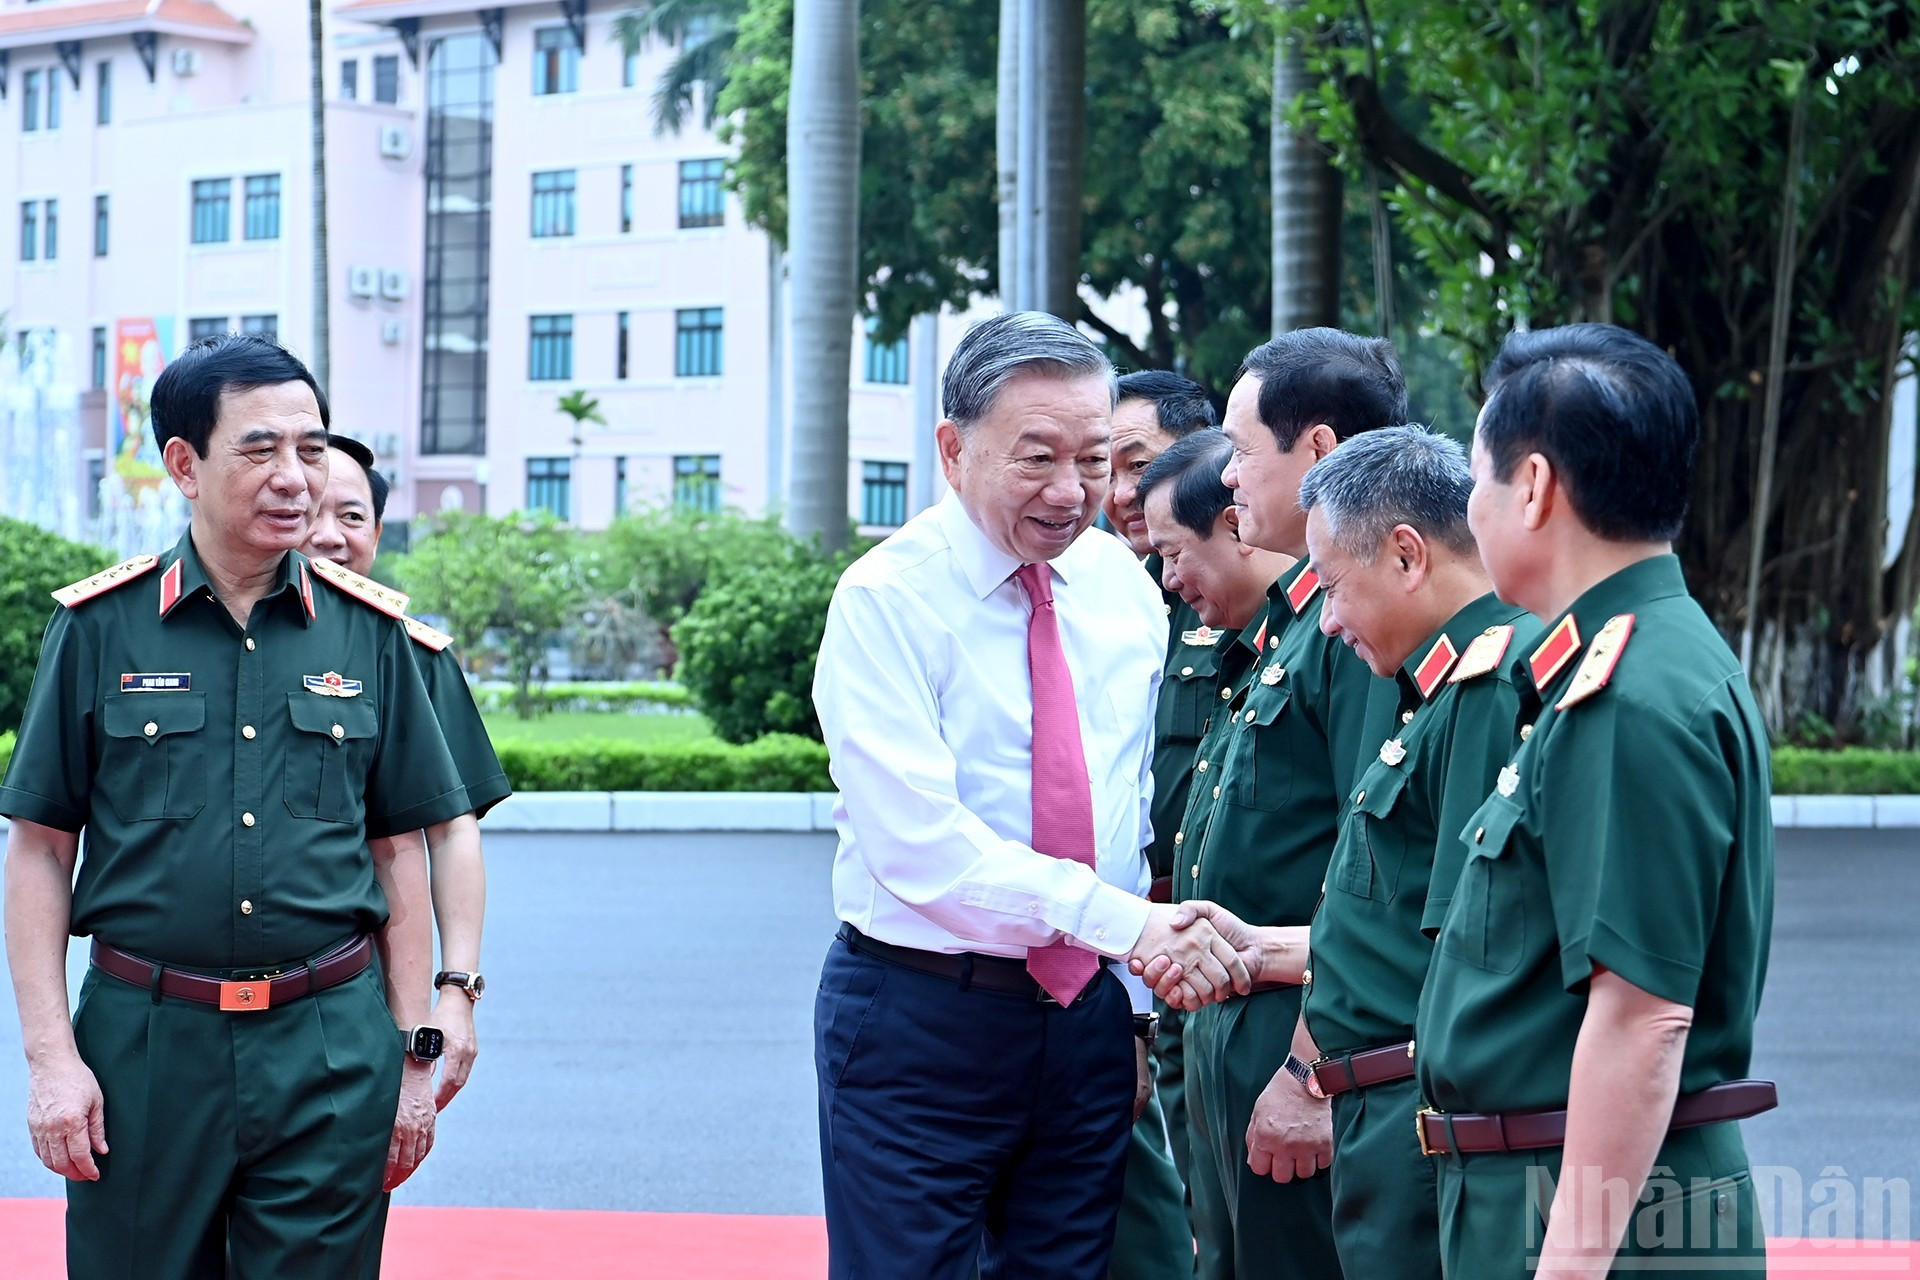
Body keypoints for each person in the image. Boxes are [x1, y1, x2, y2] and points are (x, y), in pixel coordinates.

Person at [0, 333, 471, 1279]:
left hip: (328, 1044)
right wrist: (52, 1061)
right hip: (144, 1045)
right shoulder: (99, 628)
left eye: (310, 447)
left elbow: (401, 852)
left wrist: (412, 1054)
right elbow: (40, 849)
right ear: (185, 463)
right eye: (261, 449)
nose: (295, 476)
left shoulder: (371, 633)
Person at [810, 311, 1253, 1280]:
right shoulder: (887, 601)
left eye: (1095, 459)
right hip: (921, 1015)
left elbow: (1122, 816)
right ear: (952, 448)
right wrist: (1124, 928)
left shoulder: (1121, 589)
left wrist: (1131, 1012)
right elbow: (918, 843)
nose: (1071, 492)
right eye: (1037, 457)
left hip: (1084, 1020)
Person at [1415, 324, 1776, 1277]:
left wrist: (1568, 1267)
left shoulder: (1629, 693)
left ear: (1532, 487)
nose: (1471, 509)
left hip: (1595, 1223)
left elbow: (1642, 1018)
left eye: (1476, 480)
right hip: (1549, 1194)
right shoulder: (1627, 659)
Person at [1174, 329, 1406, 1280]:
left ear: (1316, 451)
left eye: (1240, 450)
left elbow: (1375, 871)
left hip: (1296, 1035)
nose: (1226, 478)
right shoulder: (1299, 623)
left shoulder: (1359, 628)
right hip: (1238, 1031)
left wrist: (1311, 1072)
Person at [1293, 426, 1537, 1278]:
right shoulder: (1434, 692)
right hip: (1387, 1115)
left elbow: (1467, 948)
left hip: (1419, 1120)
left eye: (1330, 588)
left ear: (1405, 555)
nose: (1325, 622)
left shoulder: (1489, 687)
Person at [304, 434, 505, 1280]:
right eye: (310, 511)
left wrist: (452, 994)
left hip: (349, 998)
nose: (326, 533)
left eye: (351, 516)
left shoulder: (409, 654)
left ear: (378, 534)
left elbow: (450, 830)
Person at [1100, 370, 1219, 1258]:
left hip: (1227, 952)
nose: (1115, 494)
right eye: (1098, 467)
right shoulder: (1103, 600)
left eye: (1134, 464)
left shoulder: (1235, 604)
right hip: (1138, 954)